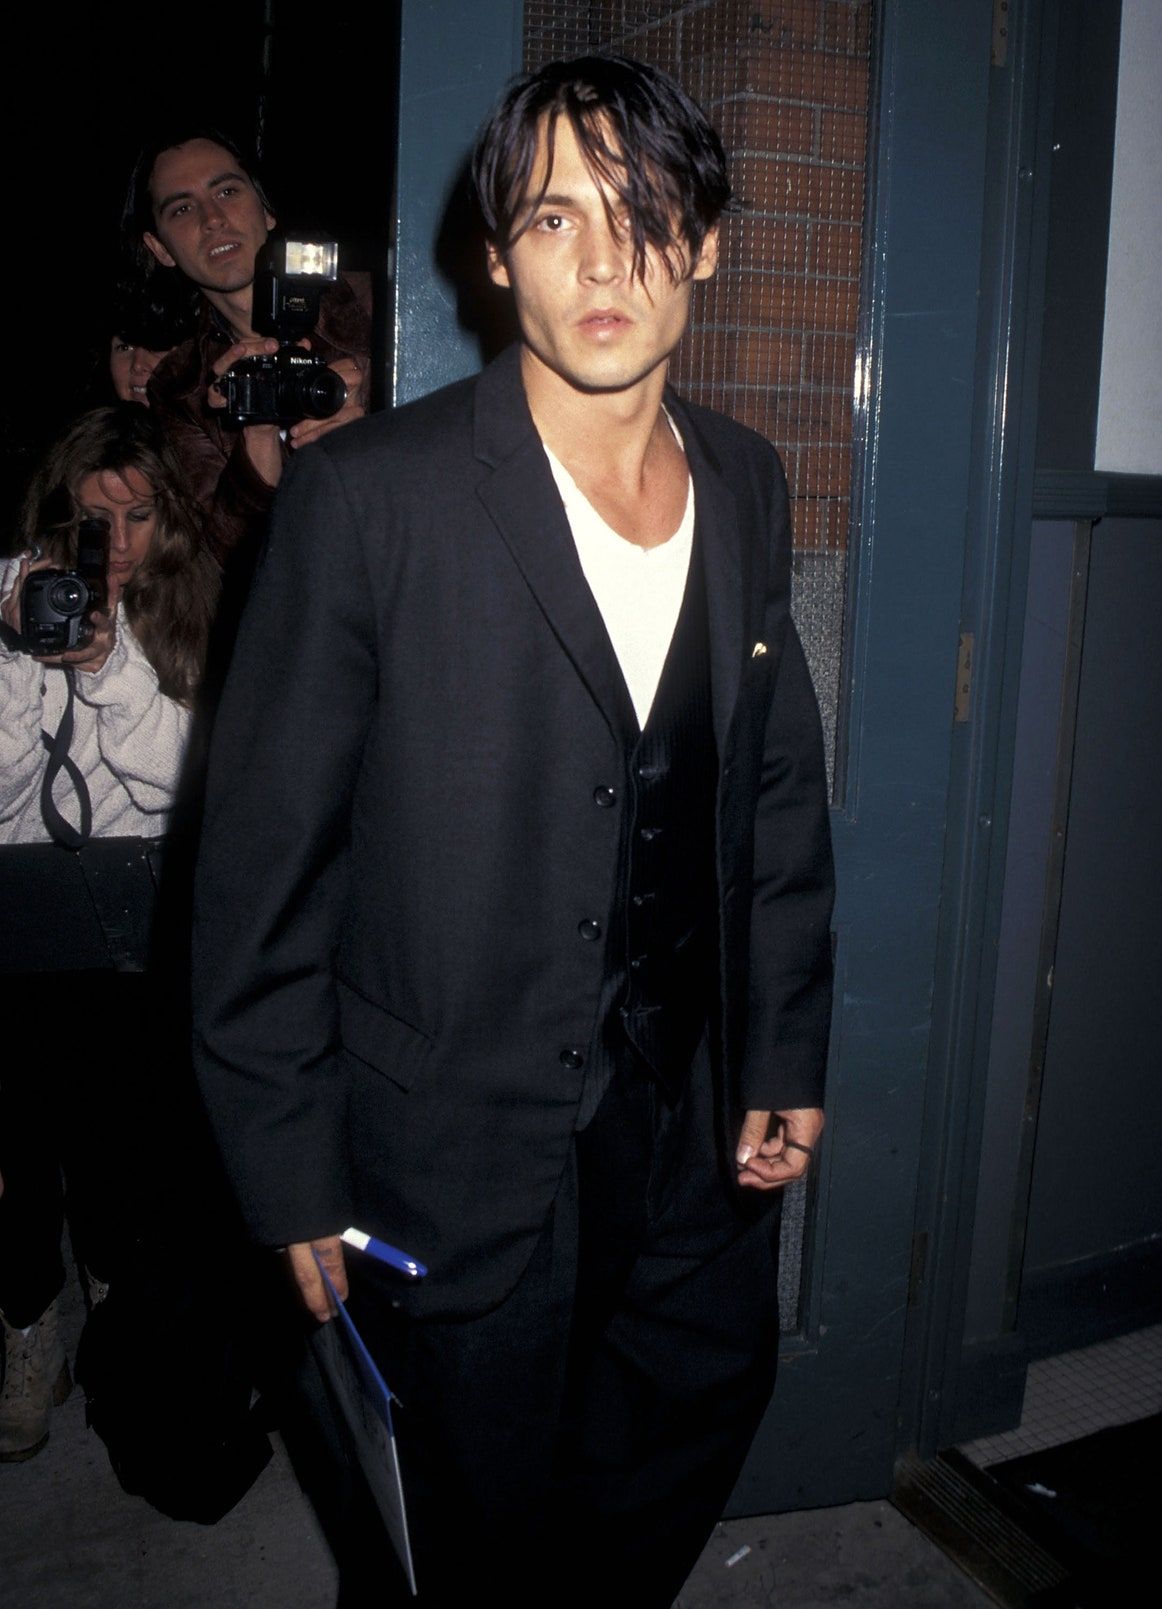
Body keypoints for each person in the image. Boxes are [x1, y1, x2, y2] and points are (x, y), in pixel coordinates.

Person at [190, 55, 835, 1605]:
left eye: (644, 212)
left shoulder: (745, 480)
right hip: (453, 1143)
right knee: (466, 1522)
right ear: (495, 256)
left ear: (704, 244)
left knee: (686, 1414)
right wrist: (288, 1165)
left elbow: (770, 789)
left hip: (686, 1120)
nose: (604, 259)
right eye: (555, 217)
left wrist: (781, 1048)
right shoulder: (369, 502)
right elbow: (262, 873)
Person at [0, 404, 219, 1461]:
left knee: (116, 1145)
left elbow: (182, 784)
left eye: (138, 516)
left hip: (129, 918)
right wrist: (23, 650)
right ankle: (26, 1320)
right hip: (17, 908)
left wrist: (105, 665)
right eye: (95, 519)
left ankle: (114, 1304)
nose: (117, 545)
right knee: (13, 1151)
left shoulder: (190, 607)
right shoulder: (12, 600)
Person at [120, 127, 373, 568]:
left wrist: (383, 406)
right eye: (182, 208)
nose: (212, 218)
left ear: (266, 209)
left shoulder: (378, 304)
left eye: (227, 192)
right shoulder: (181, 387)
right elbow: (235, 560)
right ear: (160, 248)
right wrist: (256, 430)